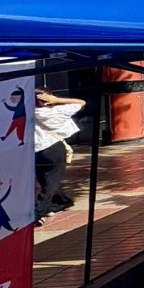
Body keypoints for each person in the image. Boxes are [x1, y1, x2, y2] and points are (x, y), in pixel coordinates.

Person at [33, 89, 85, 219]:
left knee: (45, 180)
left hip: (36, 151)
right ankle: (39, 211)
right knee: (51, 181)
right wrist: (57, 100)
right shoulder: (56, 111)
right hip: (54, 148)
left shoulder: (27, 113)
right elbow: (81, 102)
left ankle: (56, 203)